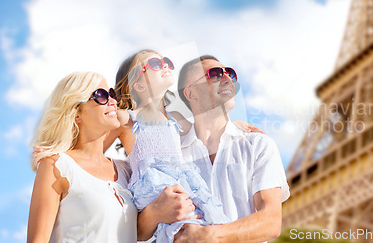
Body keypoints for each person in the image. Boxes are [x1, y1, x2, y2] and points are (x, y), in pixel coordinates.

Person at [111, 50, 260, 242]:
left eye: (166, 61)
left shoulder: (176, 118)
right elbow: (95, 130)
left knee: (203, 223)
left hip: (183, 183)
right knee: (182, 229)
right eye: (156, 63)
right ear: (138, 84)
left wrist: (236, 125)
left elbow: (206, 125)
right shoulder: (127, 119)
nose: (165, 65)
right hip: (155, 186)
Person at [140, 55, 290, 243]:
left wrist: (209, 236)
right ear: (190, 93)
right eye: (215, 74)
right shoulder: (171, 155)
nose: (227, 78)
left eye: (230, 73)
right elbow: (140, 230)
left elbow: (271, 221)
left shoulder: (259, 145)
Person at [27, 72, 137, 243]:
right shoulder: (56, 166)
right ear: (76, 114)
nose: (113, 101)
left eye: (111, 94)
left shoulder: (126, 170)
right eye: (101, 95)